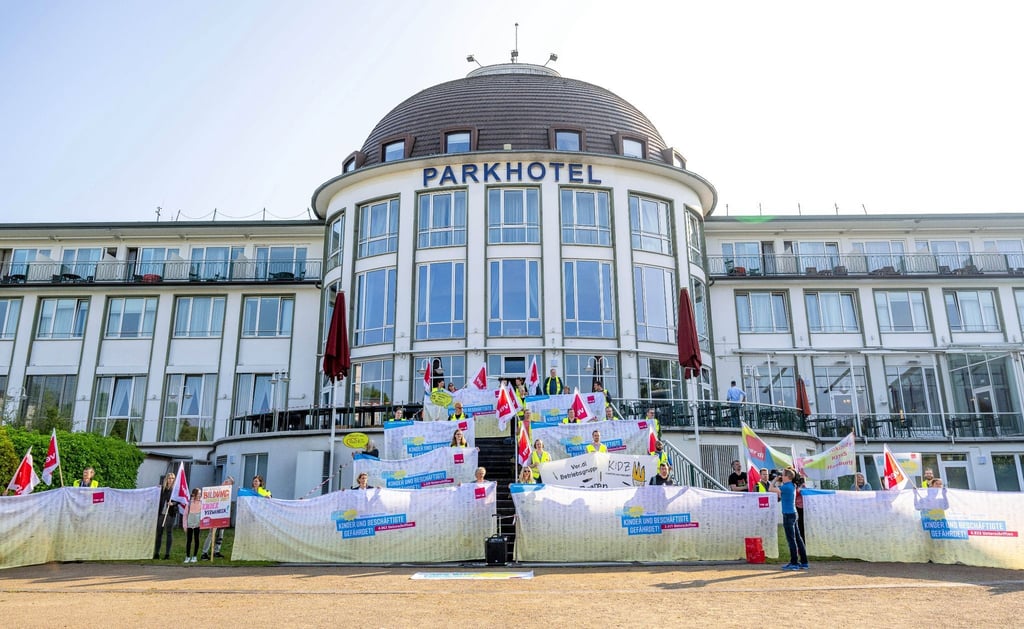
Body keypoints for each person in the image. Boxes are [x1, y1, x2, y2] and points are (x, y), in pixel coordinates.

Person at [770, 468, 808, 570]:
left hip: (788, 515)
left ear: (787, 477)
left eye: (782, 475)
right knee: (798, 539)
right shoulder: (792, 485)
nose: (781, 476)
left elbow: (770, 488)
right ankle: (804, 562)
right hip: (793, 513)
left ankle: (794, 562)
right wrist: (780, 479)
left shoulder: (786, 487)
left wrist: (774, 480)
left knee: (791, 539)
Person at [201, 476, 234, 560]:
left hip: (222, 516)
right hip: (214, 515)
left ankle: (216, 551)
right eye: (226, 482)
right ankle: (204, 552)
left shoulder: (227, 493)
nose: (227, 484)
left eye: (229, 484)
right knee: (211, 534)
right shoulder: (216, 490)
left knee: (220, 535)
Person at [154, 472, 177, 560]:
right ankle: (157, 553)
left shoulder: (175, 490)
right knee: (159, 533)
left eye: (172, 478)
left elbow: (179, 501)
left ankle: (167, 554)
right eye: (169, 478)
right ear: (166, 479)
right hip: (161, 513)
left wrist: (173, 503)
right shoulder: (162, 489)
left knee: (169, 533)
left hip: (170, 513)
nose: (171, 480)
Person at [184, 488, 202, 564]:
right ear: (194, 494)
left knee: (196, 539)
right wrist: (185, 525)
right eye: (198, 494)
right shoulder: (189, 503)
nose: (199, 495)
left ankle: (194, 556)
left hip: (198, 524)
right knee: (189, 540)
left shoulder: (202, 502)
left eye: (200, 494)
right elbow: (185, 515)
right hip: (190, 523)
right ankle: (187, 556)